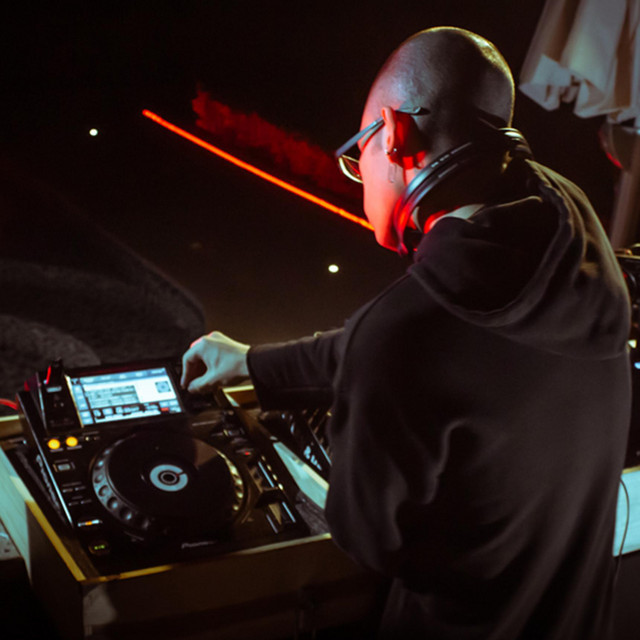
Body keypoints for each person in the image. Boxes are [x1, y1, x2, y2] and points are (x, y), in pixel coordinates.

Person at [181, 27, 631, 639]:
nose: (359, 174)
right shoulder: (572, 223)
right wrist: (255, 363)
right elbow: (426, 349)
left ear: (395, 134)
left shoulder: (403, 333)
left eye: (358, 151)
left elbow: (367, 539)